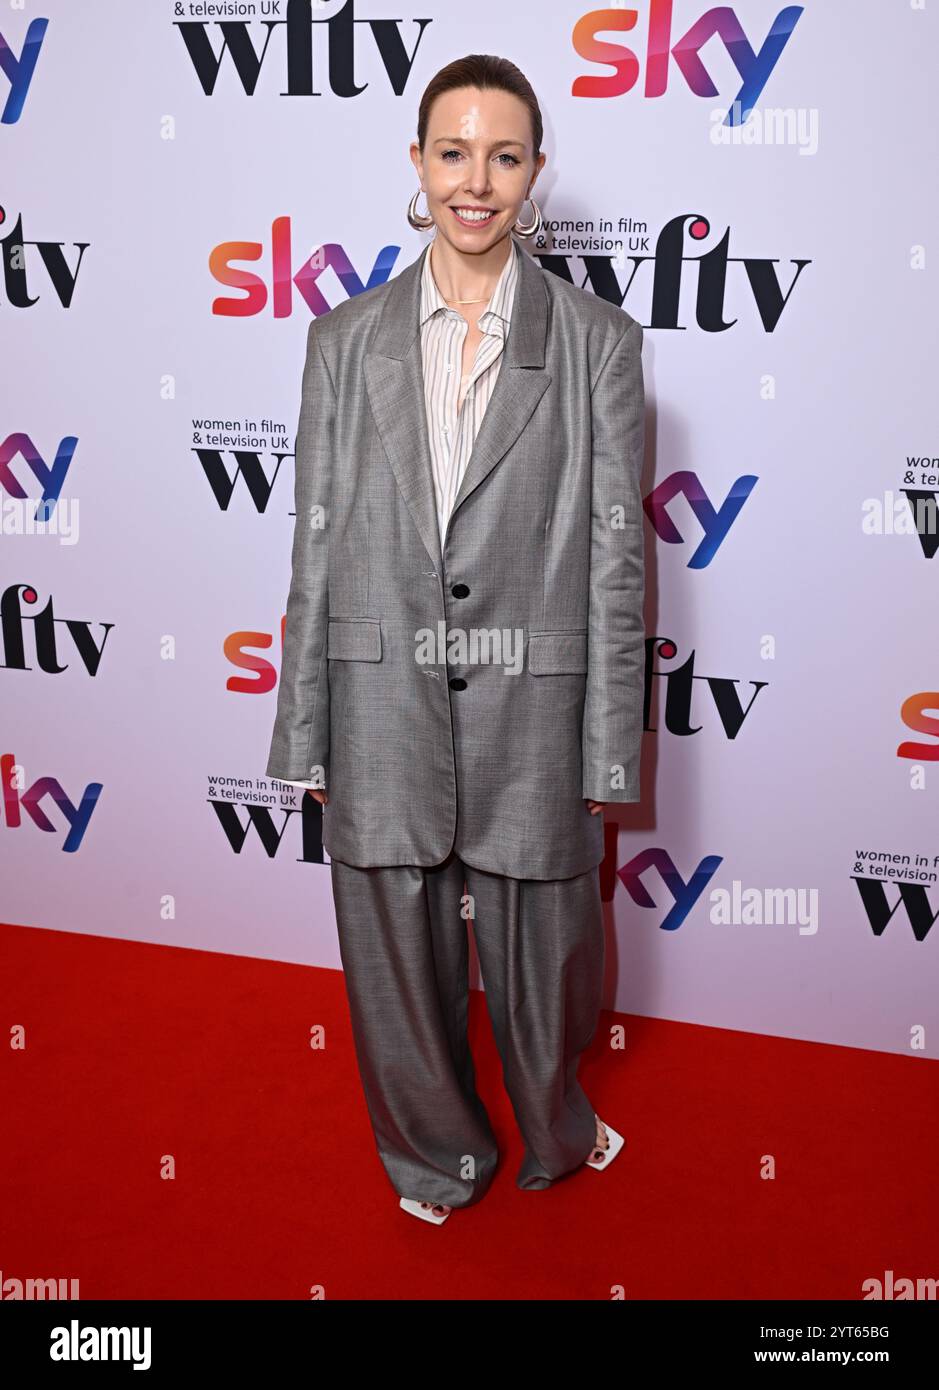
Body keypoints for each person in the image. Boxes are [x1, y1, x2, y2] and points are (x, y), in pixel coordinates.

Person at [267, 53, 645, 1224]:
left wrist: (607, 751)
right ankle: (435, 1157)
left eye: (504, 155)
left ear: (537, 173)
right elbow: (317, 543)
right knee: (392, 958)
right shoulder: (344, 339)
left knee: (551, 959)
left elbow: (619, 557)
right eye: (452, 152)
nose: (475, 182)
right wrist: (304, 727)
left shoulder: (599, 343)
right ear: (416, 163)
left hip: (537, 701)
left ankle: (554, 1126)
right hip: (378, 693)